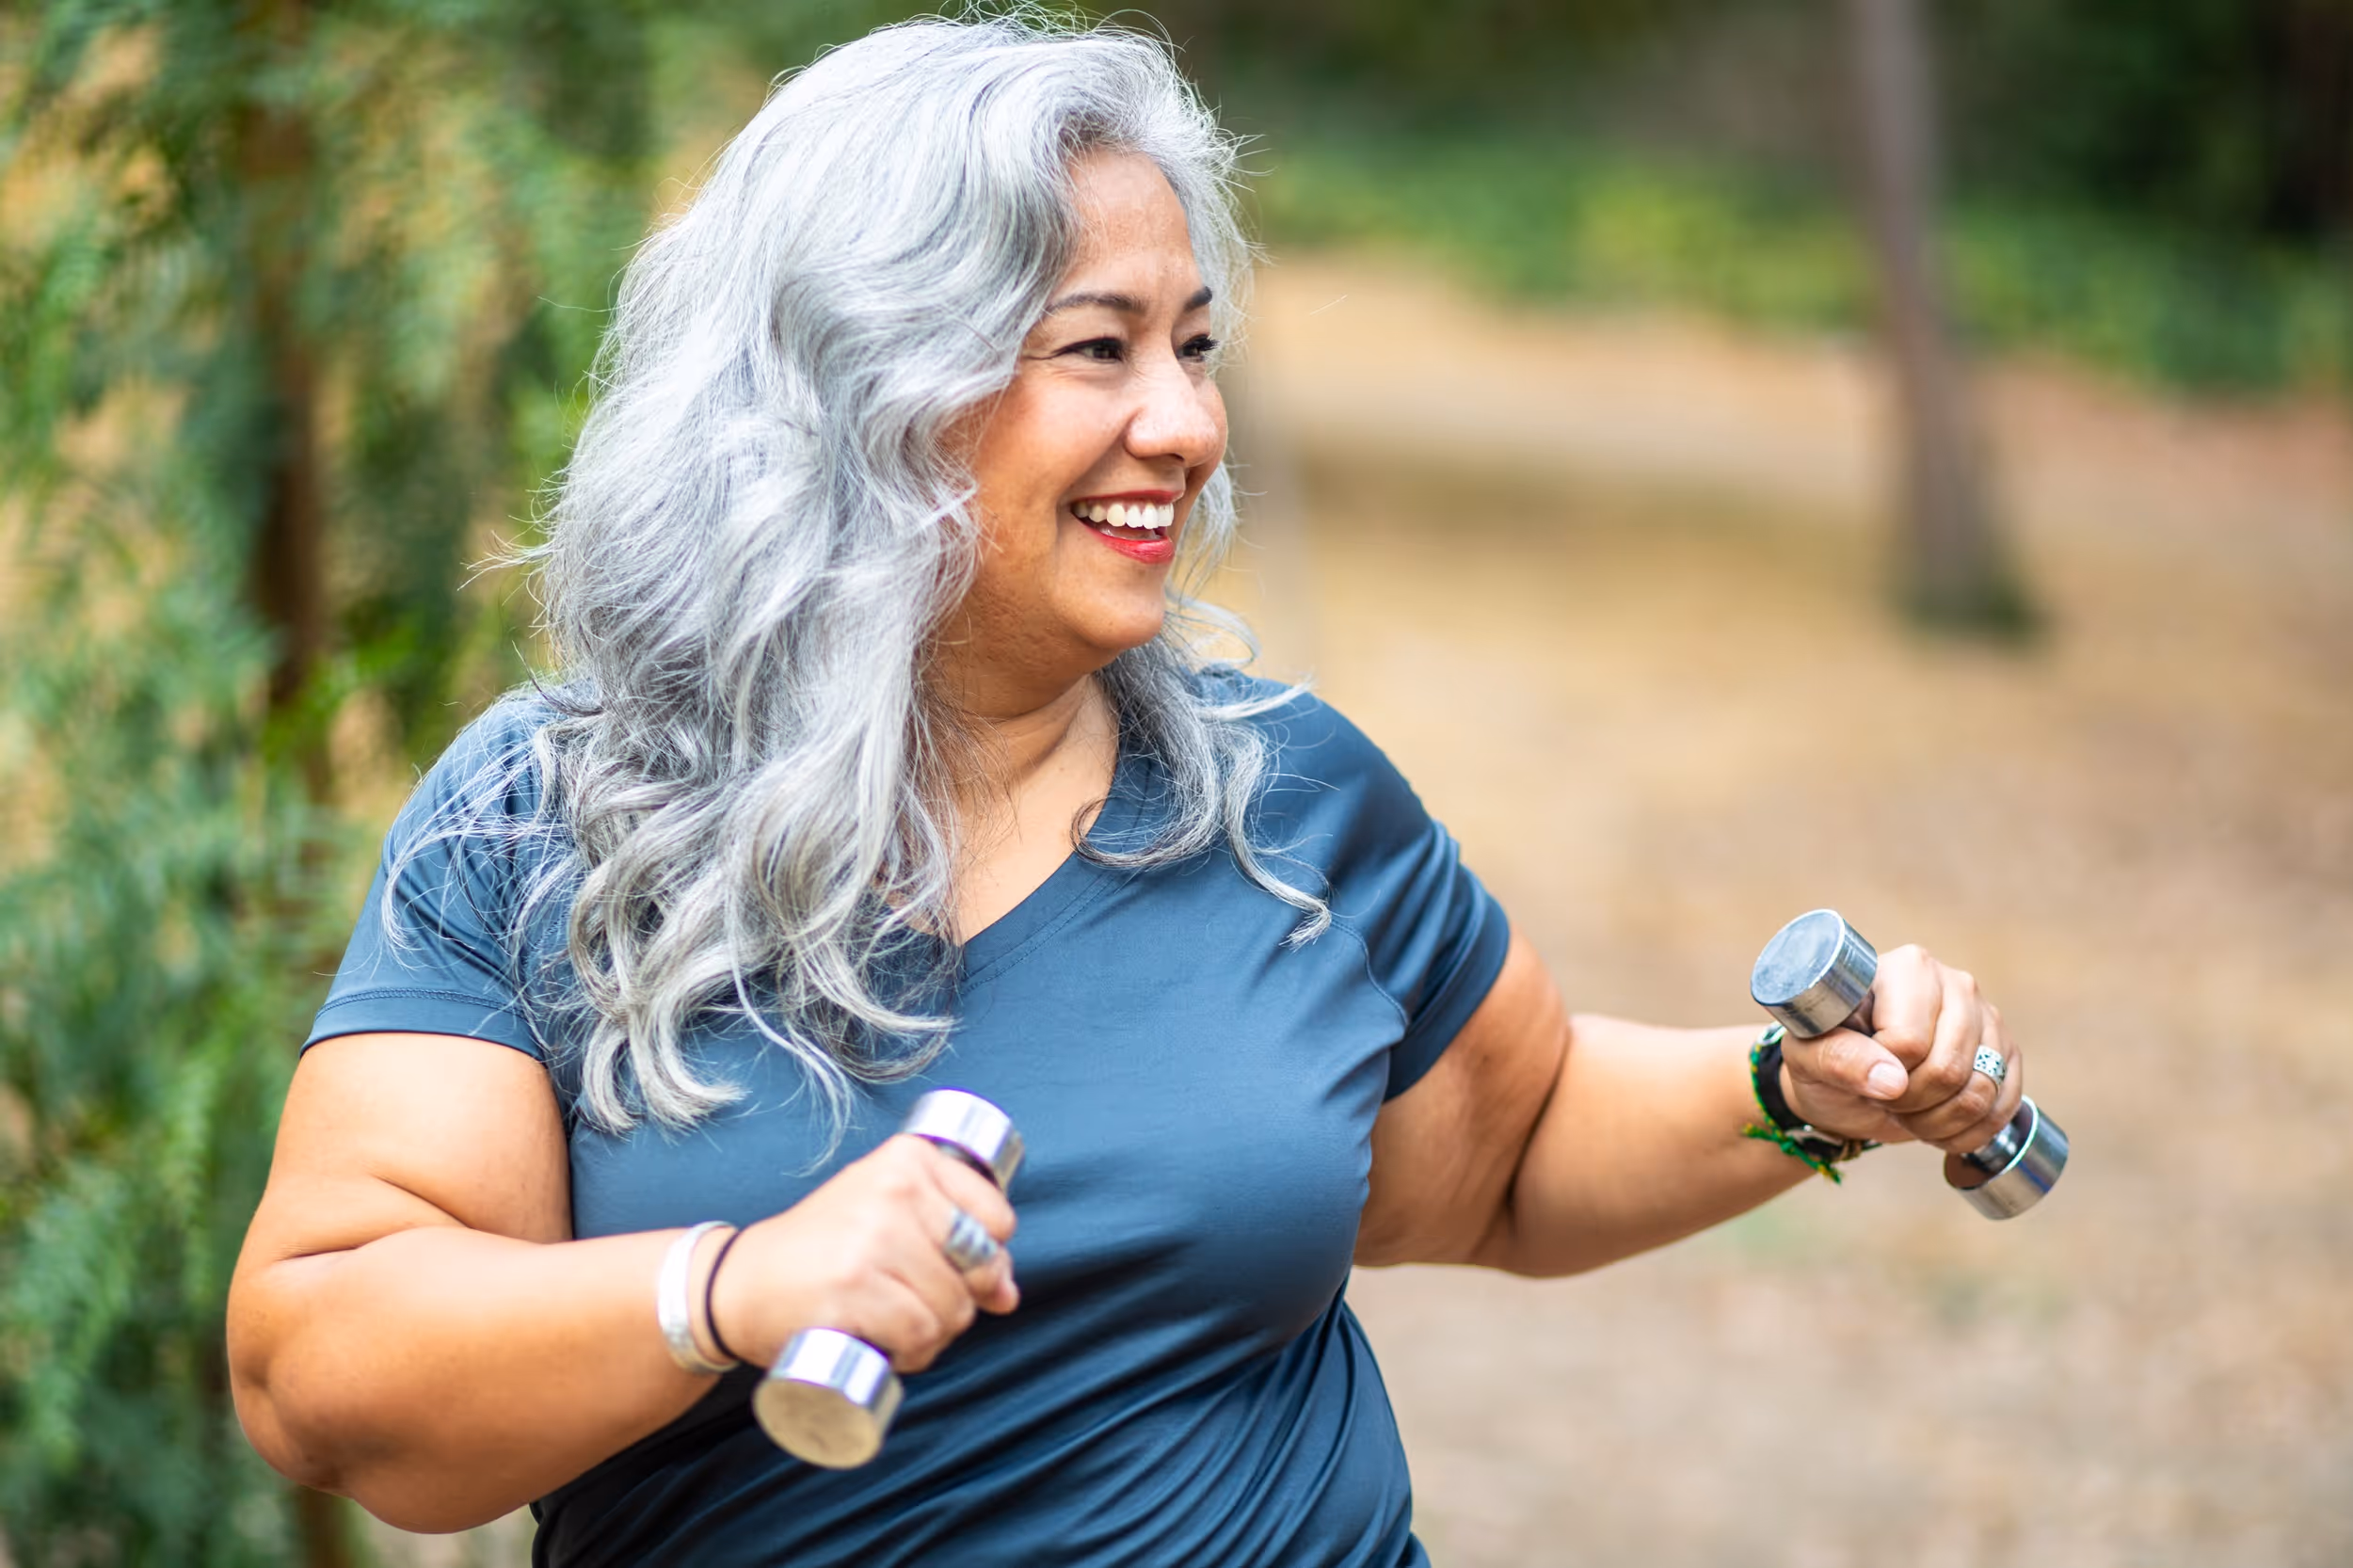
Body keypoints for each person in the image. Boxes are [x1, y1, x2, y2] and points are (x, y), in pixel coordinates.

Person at [226, 15, 2030, 1566]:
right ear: (868, 389)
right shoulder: (551, 825)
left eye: (1196, 344)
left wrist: (1799, 1093)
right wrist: (728, 1290)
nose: (1185, 420)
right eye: (1101, 347)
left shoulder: (1282, 795)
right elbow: (322, 1367)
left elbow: (1504, 1150)